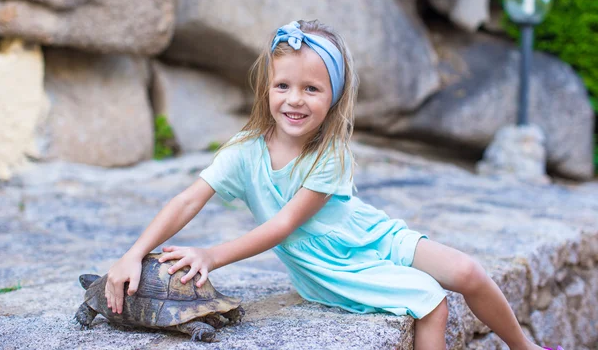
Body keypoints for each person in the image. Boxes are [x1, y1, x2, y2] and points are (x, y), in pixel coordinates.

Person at [105, 20, 552, 349]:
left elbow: (282, 224)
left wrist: (212, 255)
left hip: (367, 233)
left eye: (311, 89)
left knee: (469, 272)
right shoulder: (244, 151)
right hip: (330, 264)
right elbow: (187, 200)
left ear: (334, 96)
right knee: (432, 302)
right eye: (283, 85)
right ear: (266, 89)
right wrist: (133, 253)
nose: (294, 100)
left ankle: (524, 348)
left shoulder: (330, 153)